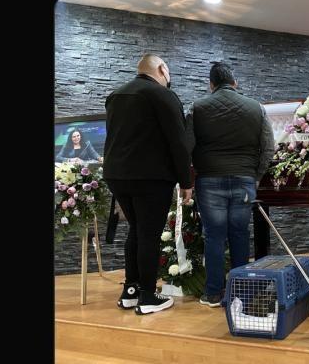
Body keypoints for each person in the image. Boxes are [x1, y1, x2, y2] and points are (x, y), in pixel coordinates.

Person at [104, 53, 193, 315]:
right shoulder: (162, 95)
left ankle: (130, 291)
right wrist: (186, 181)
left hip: (116, 175)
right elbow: (178, 142)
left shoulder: (115, 95)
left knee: (136, 230)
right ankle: (148, 296)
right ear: (162, 69)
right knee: (149, 235)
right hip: (151, 177)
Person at [185, 62, 275, 307]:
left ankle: (213, 293)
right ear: (235, 83)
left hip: (209, 181)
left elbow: (186, 147)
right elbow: (269, 148)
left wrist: (189, 178)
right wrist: (255, 176)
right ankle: (240, 293)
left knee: (213, 236)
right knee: (239, 233)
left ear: (211, 84)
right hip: (244, 180)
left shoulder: (197, 108)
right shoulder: (257, 108)